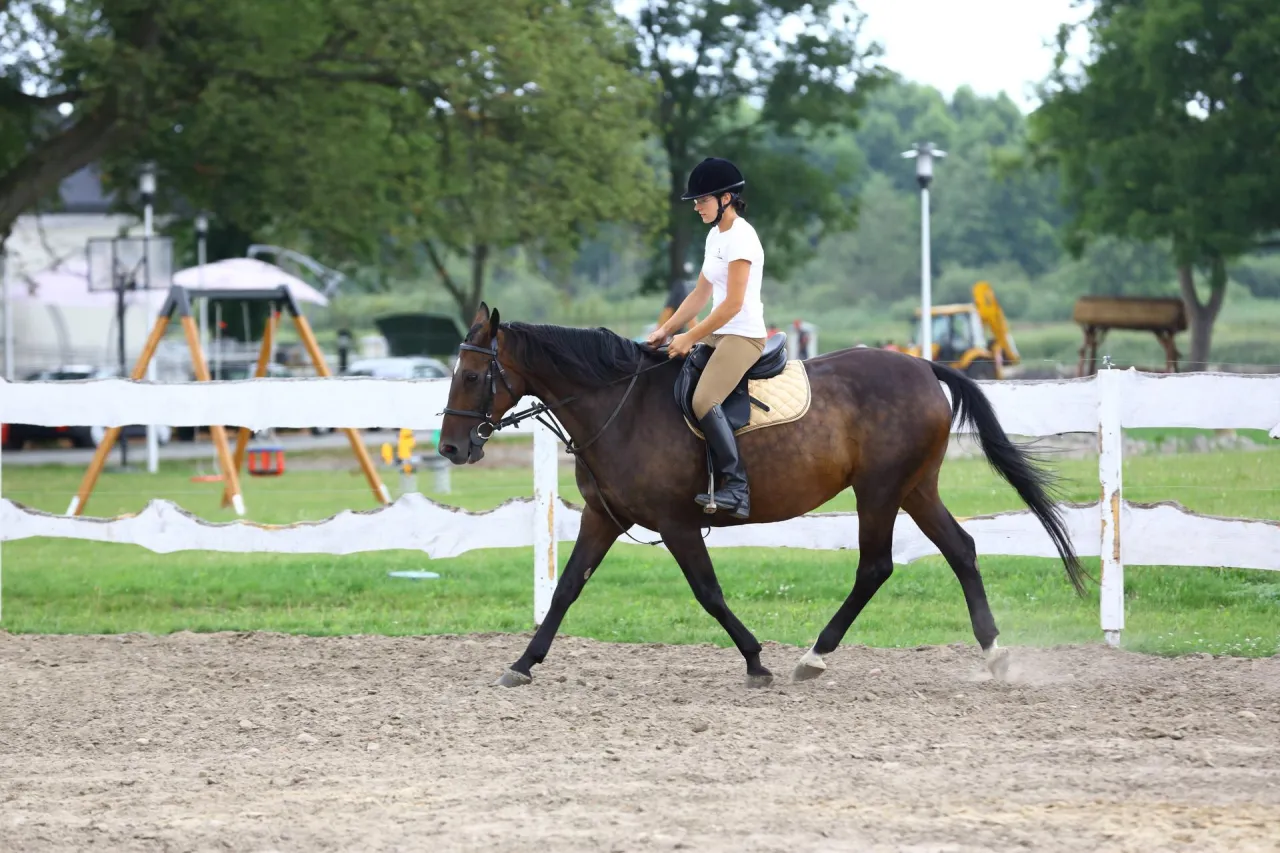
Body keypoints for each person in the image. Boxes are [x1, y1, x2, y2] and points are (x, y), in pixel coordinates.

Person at [646, 157, 766, 519]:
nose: (696, 206)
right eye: (696, 201)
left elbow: (731, 305)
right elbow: (700, 294)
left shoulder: (742, 237)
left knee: (703, 400)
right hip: (717, 333)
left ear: (725, 198)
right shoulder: (715, 235)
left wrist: (690, 337)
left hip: (743, 335)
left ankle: (737, 487)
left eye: (701, 200)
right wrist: (665, 331)